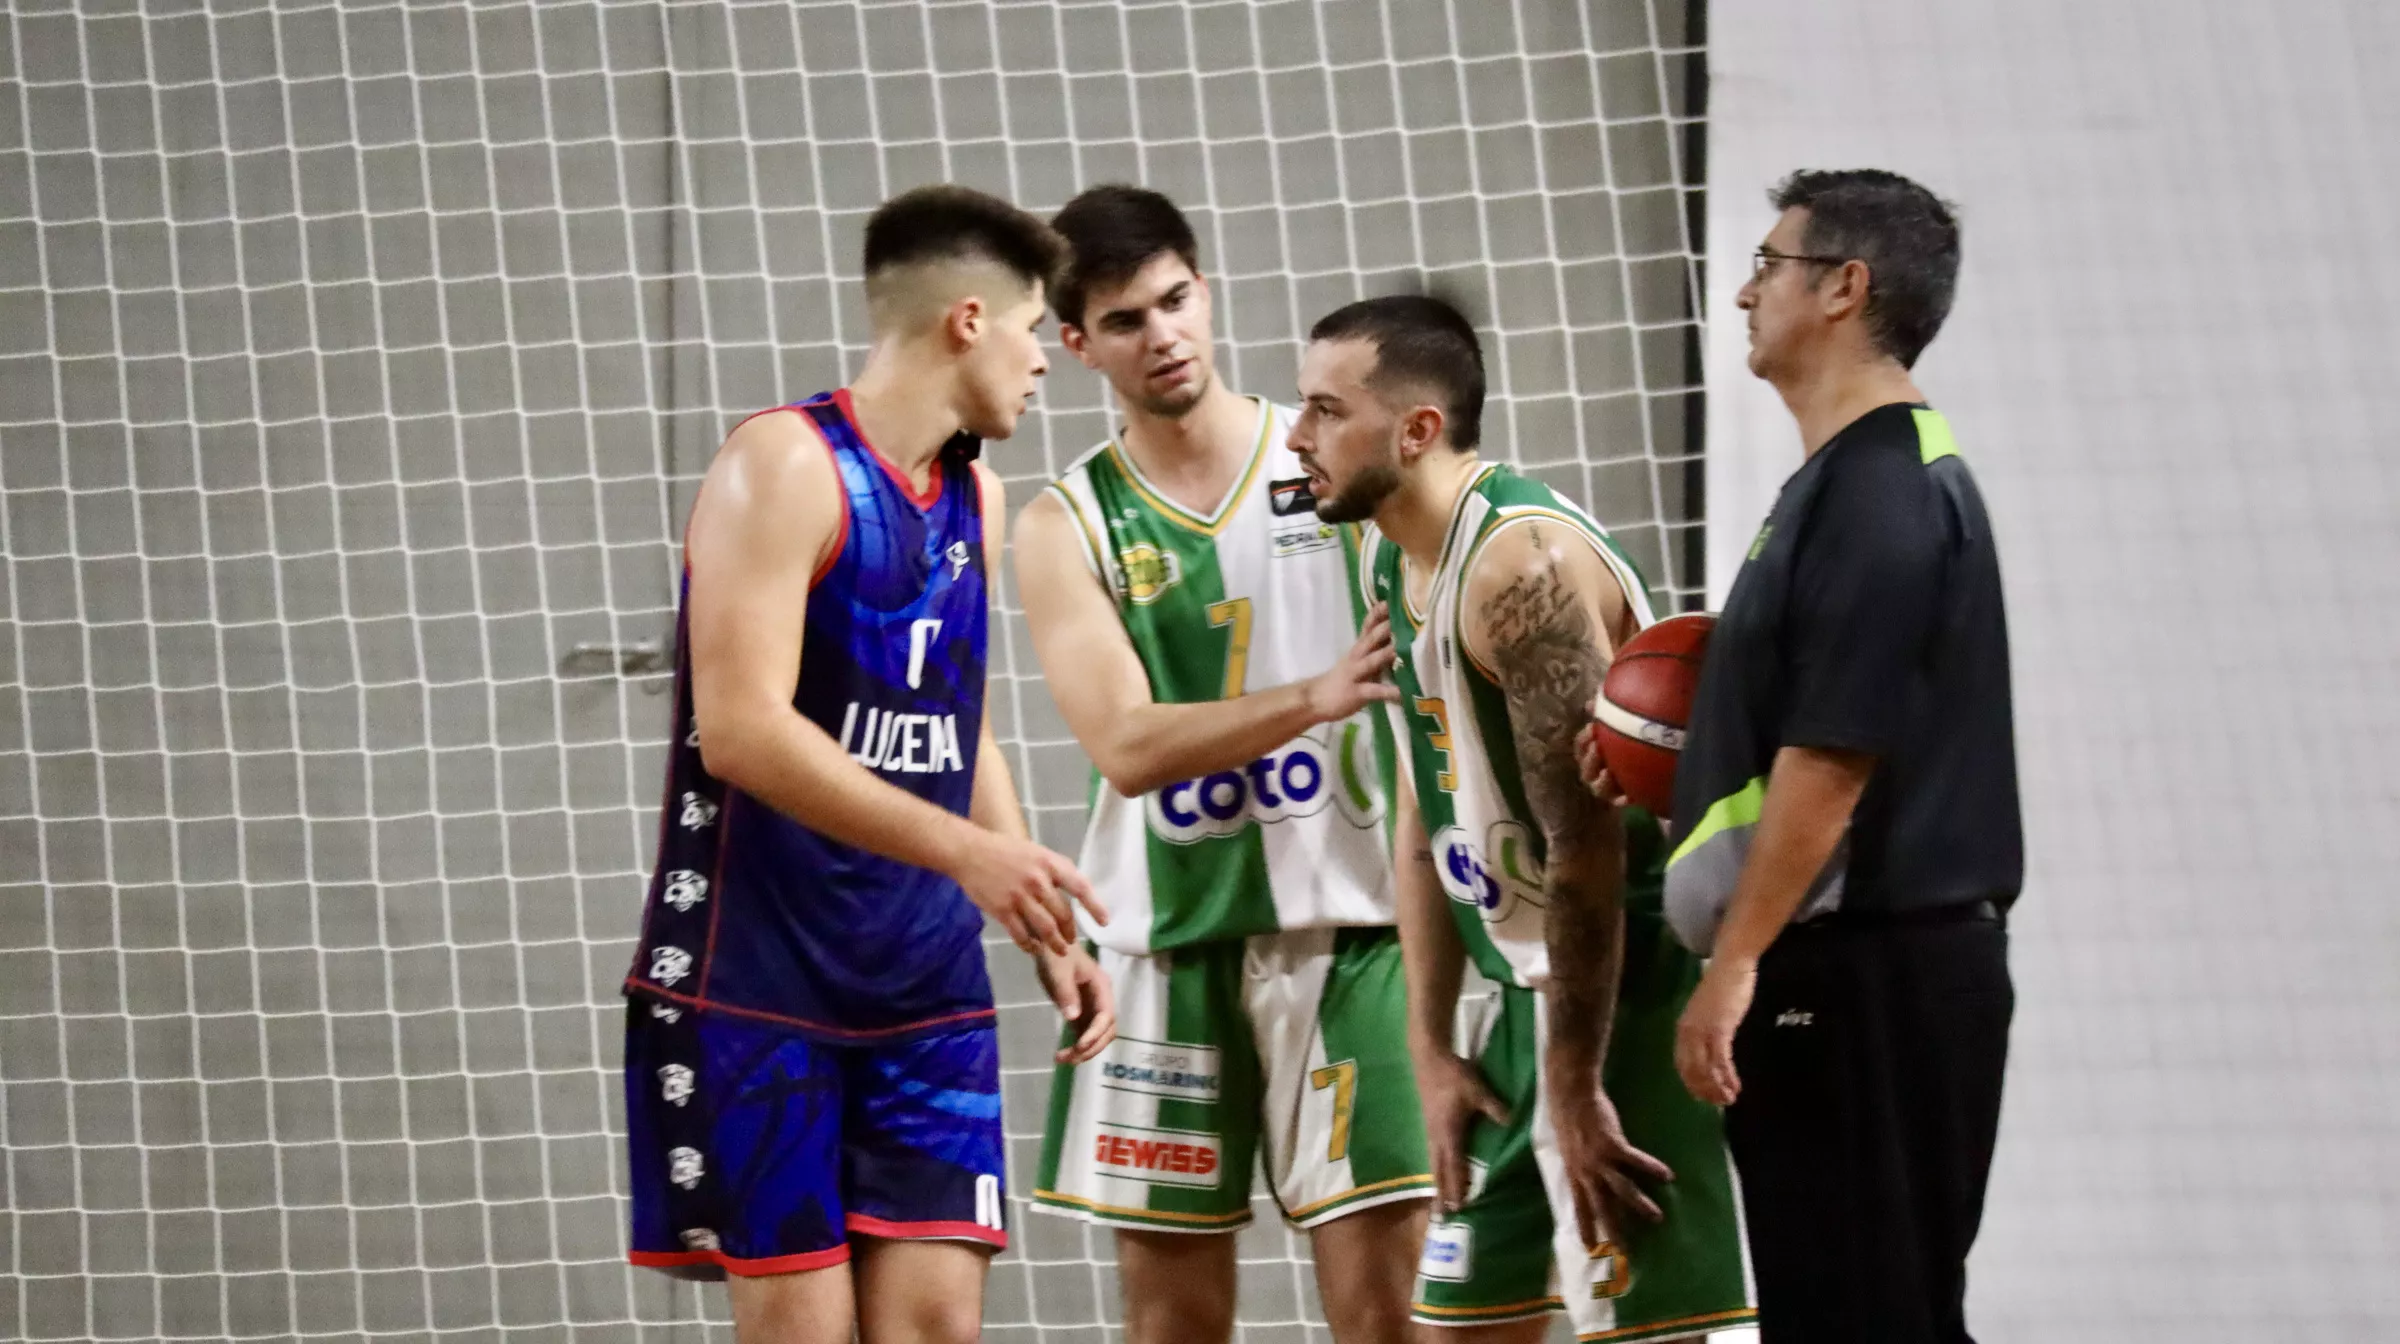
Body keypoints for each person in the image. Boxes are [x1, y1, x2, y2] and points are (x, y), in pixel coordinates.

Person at [618, 184, 1117, 1344]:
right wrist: (969, 854)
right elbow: (740, 729)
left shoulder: (976, 495)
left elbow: (958, 722)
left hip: (923, 984)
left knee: (938, 1327)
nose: (1045, 364)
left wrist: (1039, 916)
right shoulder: (783, 463)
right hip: (761, 980)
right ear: (970, 318)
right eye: (1038, 331)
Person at [1296, 294, 1755, 1343]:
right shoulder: (1386, 552)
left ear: (1416, 431)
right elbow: (1425, 802)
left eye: (1325, 409)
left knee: (1654, 1332)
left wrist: (1579, 1086)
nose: (1295, 436)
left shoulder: (1518, 570)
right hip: (1522, 1004)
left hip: (1624, 993)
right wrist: (1429, 1044)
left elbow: (1589, 855)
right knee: (1460, 1327)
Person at [1018, 185, 1432, 1344]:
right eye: (1126, 320)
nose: (1164, 336)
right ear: (1076, 342)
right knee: (1174, 1324)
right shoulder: (1068, 521)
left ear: (1206, 286)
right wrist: (1313, 696)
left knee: (1386, 1311)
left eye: (1176, 300)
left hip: (1353, 929)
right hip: (1167, 938)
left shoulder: (1329, 465)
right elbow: (1125, 745)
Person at [1659, 169, 2019, 1344]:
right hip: (1855, 974)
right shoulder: (1842, 482)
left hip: (1867, 978)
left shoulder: (1880, 492)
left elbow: (1832, 761)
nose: (1746, 290)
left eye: (1771, 264)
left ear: (1844, 290)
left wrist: (1735, 964)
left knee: (1868, 1318)